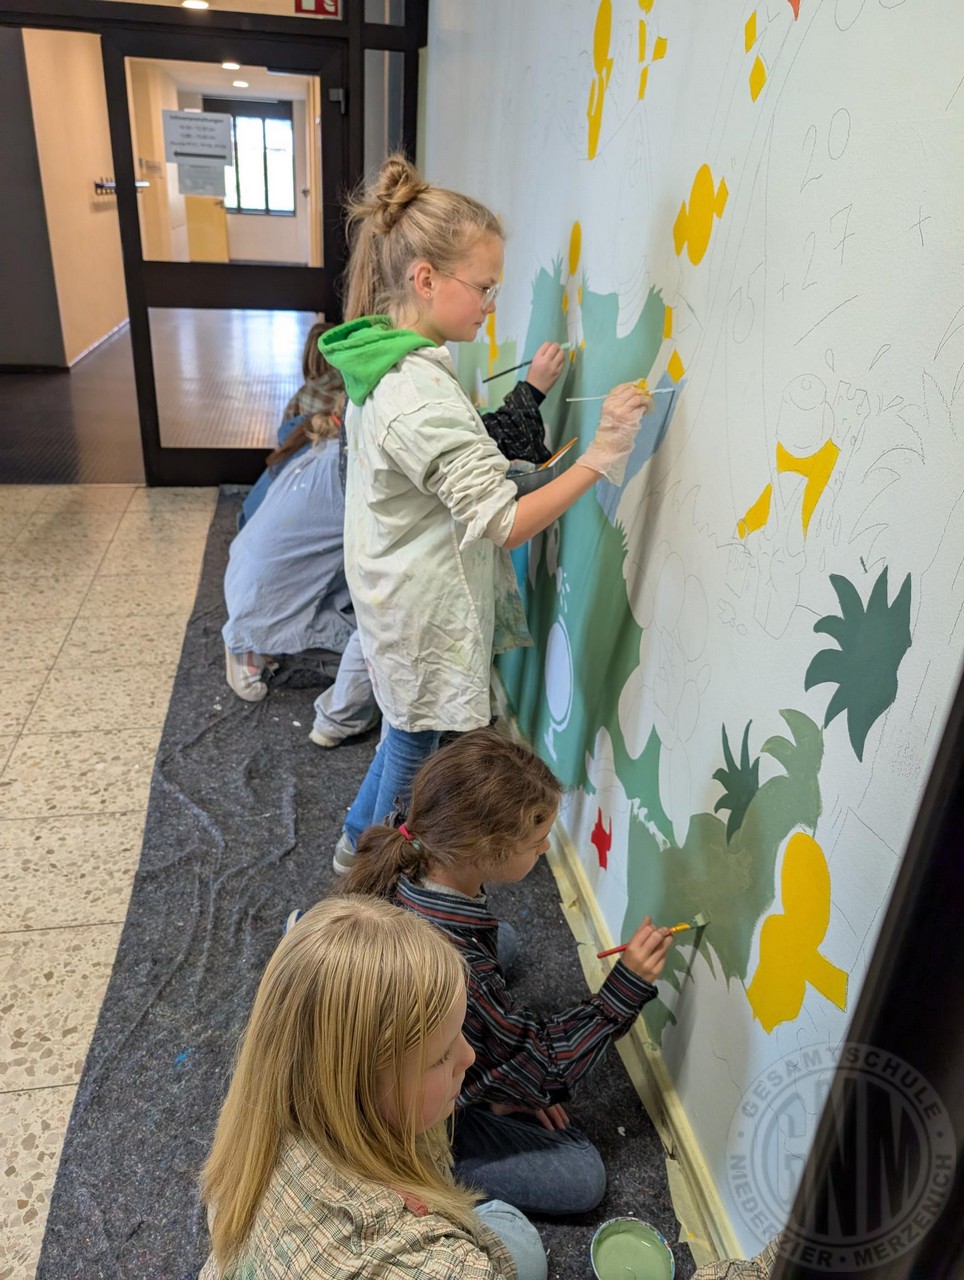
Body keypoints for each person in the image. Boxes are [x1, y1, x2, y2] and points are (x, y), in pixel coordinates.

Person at [320, 154, 651, 874]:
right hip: (417, 605)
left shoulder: (394, 361)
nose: (492, 303)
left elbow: (446, 471)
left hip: (399, 588)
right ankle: (365, 878)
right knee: (415, 744)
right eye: (484, 287)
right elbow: (505, 523)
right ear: (426, 279)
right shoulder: (418, 393)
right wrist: (600, 455)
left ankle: (356, 846)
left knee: (411, 736)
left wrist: (528, 399)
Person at [341, 728, 674, 1216]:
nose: (544, 850)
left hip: (395, 1036)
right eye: (537, 841)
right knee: (583, 1175)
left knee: (507, 943)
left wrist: (504, 1076)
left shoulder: (417, 848)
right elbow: (543, 1067)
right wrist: (622, 989)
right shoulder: (454, 964)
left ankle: (480, 1082)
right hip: (395, 1110)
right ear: (490, 852)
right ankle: (428, 1149)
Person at [199, 895, 547, 1280]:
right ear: (356, 1089)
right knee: (519, 1236)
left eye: (460, 1034)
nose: (469, 1057)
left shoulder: (263, 1109)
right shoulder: (442, 1267)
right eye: (439, 1058)